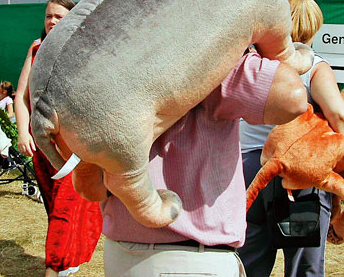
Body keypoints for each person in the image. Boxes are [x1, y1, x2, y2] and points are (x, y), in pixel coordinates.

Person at [100, 35, 309, 275]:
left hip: (125, 249)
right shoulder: (213, 57)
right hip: (187, 256)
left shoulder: (121, 55)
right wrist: (261, 44)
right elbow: (292, 97)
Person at [237, 0, 344, 277]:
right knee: (303, 265)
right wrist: (342, 161)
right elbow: (339, 115)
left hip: (249, 170)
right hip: (299, 178)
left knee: (249, 262)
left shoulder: (252, 61)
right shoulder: (314, 66)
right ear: (315, 26)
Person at [15, 0, 102, 277]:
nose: (52, 21)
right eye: (49, 16)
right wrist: (21, 132)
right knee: (54, 206)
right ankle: (68, 258)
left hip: (73, 146)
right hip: (41, 144)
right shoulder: (36, 49)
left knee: (68, 207)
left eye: (59, 17)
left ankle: (54, 267)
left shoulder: (84, 52)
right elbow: (20, 97)